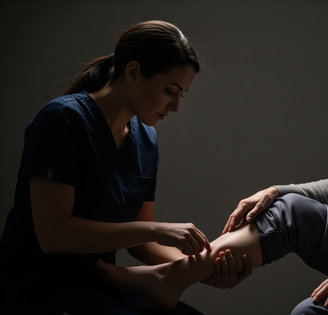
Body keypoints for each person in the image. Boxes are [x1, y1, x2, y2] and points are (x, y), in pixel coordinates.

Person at [93, 0, 328, 314]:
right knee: (289, 208)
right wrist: (275, 191)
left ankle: (172, 276)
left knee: (310, 312)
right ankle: (175, 276)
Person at [0, 20, 251, 315]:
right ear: (133, 72)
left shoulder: (146, 139)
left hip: (99, 284)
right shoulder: (63, 120)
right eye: (170, 91)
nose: (175, 107)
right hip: (38, 288)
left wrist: (202, 270)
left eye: (181, 95)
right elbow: (54, 235)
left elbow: (141, 244)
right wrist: (157, 229)